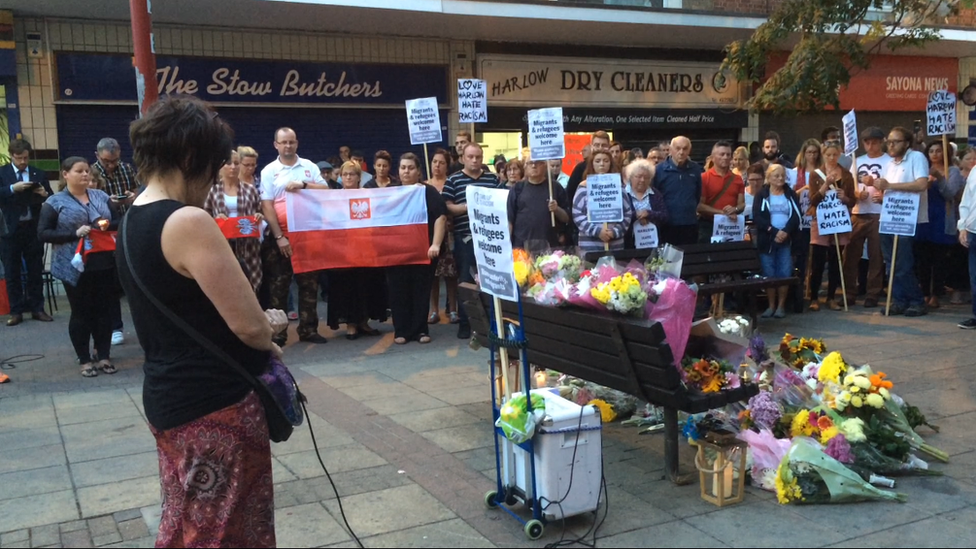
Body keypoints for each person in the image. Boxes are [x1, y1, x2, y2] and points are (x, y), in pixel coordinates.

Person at [118, 97, 285, 548]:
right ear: (191, 158)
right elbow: (250, 326)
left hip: (168, 397)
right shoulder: (187, 220)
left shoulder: (132, 216)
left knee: (186, 522)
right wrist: (273, 321)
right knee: (226, 531)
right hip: (215, 404)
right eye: (212, 170)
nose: (213, 183)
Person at [37, 157, 120, 377]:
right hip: (73, 264)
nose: (85, 175)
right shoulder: (55, 202)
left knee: (103, 310)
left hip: (102, 261)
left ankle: (103, 355)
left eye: (87, 171)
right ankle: (84, 358)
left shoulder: (101, 197)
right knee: (82, 311)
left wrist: (103, 225)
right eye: (79, 171)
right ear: (65, 174)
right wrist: (74, 233)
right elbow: (44, 233)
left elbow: (119, 221)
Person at [260, 127, 331, 344]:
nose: (288, 146)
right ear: (276, 145)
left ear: (297, 143)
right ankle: (278, 333)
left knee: (309, 283)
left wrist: (304, 185)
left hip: (307, 235)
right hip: (281, 237)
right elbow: (267, 205)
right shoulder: (269, 171)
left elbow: (326, 190)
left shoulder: (308, 166)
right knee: (279, 286)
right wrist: (279, 236)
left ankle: (308, 329)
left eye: (291, 142)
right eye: (284, 142)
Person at [871, 127, 931, 316]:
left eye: (895, 141)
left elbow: (922, 184)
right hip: (889, 216)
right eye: (888, 141)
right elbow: (891, 190)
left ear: (906, 143)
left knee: (903, 264)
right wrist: (883, 194)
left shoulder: (916, 158)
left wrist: (890, 186)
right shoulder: (889, 163)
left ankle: (916, 300)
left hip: (908, 219)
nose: (890, 145)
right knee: (890, 263)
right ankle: (899, 299)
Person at [387, 153, 446, 345]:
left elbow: (440, 217)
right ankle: (401, 331)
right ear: (398, 171)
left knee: (420, 290)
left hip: (423, 251)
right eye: (403, 167)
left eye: (410, 167)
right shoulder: (389, 191)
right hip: (395, 253)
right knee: (398, 291)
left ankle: (420, 330)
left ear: (418, 171)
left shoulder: (428, 192)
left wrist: (435, 243)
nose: (406, 171)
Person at [326, 161, 389, 339]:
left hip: (365, 249)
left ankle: (363, 321)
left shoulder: (369, 195)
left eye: (352, 174)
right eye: (345, 174)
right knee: (347, 286)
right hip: (343, 251)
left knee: (366, 285)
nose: (348, 177)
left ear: (358, 177)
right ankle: (351, 324)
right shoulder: (333, 197)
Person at [443, 143, 499, 339]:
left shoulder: (492, 179)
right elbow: (447, 207)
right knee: (466, 282)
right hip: (465, 238)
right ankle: (466, 324)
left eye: (478, 156)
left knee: (490, 281)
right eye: (471, 157)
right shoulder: (453, 180)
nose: (475, 160)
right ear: (463, 158)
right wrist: (468, 207)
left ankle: (491, 323)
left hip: (490, 239)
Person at [0, 138, 55, 326]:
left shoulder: (37, 173)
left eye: (25, 158)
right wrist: (11, 189)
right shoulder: (2, 173)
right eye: (18, 158)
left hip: (32, 227)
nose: (22, 162)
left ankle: (37, 308)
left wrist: (44, 193)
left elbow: (51, 198)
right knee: (12, 271)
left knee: (35, 270)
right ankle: (16, 311)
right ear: (11, 156)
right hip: (10, 229)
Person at [92, 137, 139, 345]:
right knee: (109, 281)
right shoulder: (91, 172)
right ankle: (114, 326)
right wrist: (106, 202)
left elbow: (139, 190)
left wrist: (132, 196)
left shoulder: (126, 169)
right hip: (104, 231)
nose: (111, 165)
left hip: (127, 225)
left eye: (115, 161)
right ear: (97, 156)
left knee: (131, 277)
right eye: (107, 161)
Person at [204, 150, 265, 294]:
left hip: (248, 247)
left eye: (236, 163)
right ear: (220, 166)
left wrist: (258, 216)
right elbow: (204, 214)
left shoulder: (250, 190)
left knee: (251, 287)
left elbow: (260, 211)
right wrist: (215, 219)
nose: (233, 167)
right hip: (221, 246)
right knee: (224, 289)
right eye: (228, 163)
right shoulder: (212, 190)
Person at [915, 139, 966, 309]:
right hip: (923, 217)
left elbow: (950, 193)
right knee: (923, 259)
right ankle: (924, 293)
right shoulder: (922, 170)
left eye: (938, 151)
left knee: (939, 260)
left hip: (942, 218)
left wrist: (939, 178)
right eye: (931, 151)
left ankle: (936, 294)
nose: (935, 154)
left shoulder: (952, 171)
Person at [806, 141, 855, 311]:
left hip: (839, 220)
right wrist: (826, 185)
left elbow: (852, 201)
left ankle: (831, 297)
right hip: (821, 220)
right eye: (828, 155)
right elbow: (813, 200)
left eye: (835, 155)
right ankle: (813, 297)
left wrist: (845, 198)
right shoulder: (815, 175)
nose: (832, 158)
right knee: (818, 260)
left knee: (836, 260)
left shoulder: (847, 175)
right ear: (823, 155)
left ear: (840, 154)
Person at [843, 127, 888, 308]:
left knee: (876, 256)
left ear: (881, 141)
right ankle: (849, 292)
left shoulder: (889, 161)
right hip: (859, 212)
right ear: (863, 144)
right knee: (851, 254)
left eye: (875, 142)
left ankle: (873, 293)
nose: (871, 146)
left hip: (878, 213)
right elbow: (850, 186)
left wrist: (884, 195)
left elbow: (892, 183)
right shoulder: (857, 161)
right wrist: (856, 194)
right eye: (867, 142)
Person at [754, 164, 803, 318]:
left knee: (784, 272)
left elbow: (796, 215)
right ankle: (771, 305)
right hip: (768, 239)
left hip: (786, 239)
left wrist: (786, 232)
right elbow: (758, 217)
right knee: (769, 273)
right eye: (776, 175)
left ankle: (781, 306)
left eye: (782, 175)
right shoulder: (762, 194)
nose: (780, 178)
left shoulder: (790, 194)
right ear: (769, 177)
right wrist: (774, 231)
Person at [572, 150, 633, 252]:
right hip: (589, 245)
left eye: (606, 161)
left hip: (615, 245)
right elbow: (576, 213)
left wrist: (615, 231)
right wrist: (597, 231)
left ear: (610, 163)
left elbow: (627, 212)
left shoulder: (619, 186)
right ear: (592, 164)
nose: (602, 164)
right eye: (598, 161)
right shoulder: (583, 186)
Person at [426, 149, 459, 325]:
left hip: (450, 234)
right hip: (429, 235)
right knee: (433, 275)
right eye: (434, 161)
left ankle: (452, 309)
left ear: (447, 165)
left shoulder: (451, 184)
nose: (437, 165)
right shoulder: (424, 185)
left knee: (451, 274)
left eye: (441, 162)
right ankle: (433, 310)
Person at [508, 159, 570, 249]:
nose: (533, 166)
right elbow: (510, 220)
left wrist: (556, 209)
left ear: (545, 165)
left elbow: (567, 218)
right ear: (525, 166)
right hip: (522, 247)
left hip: (549, 247)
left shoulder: (555, 188)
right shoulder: (517, 189)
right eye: (530, 163)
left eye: (537, 162)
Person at [789, 138, 821, 309]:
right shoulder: (795, 173)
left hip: (817, 219)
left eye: (815, 152)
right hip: (801, 220)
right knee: (800, 256)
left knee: (815, 256)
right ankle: (799, 292)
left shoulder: (822, 172)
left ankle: (813, 292)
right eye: (809, 152)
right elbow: (789, 194)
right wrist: (803, 190)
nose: (812, 156)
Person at [654, 136, 702, 246]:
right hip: (667, 225)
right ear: (670, 150)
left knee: (689, 258)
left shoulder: (695, 169)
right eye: (678, 148)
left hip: (690, 223)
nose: (681, 152)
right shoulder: (659, 170)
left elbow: (697, 194)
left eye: (685, 149)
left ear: (689, 151)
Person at [697, 140, 746, 243]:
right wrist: (722, 213)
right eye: (722, 154)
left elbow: (742, 204)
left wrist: (735, 209)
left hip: (731, 227)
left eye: (728, 154)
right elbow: (699, 206)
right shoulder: (704, 178)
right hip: (708, 225)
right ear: (713, 157)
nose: (725, 157)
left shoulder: (737, 179)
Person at [624, 159, 668, 249]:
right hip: (628, 243)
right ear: (631, 177)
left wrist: (649, 214)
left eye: (646, 177)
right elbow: (620, 217)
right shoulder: (623, 193)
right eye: (639, 176)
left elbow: (665, 216)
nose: (642, 180)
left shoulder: (655, 194)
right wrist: (636, 215)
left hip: (652, 242)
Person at [956, 157, 976, 328]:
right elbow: (966, 202)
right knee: (975, 277)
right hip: (973, 231)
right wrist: (963, 226)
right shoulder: (975, 172)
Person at [567, 131, 612, 202]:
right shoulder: (580, 169)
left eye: (604, 145)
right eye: (597, 145)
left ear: (609, 147)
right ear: (591, 147)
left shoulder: (615, 167)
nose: (600, 148)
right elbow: (570, 194)